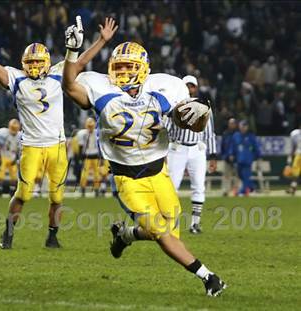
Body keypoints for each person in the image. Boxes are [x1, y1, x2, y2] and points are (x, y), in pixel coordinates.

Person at [62, 16, 226, 296]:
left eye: (129, 66)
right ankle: (209, 277)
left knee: (168, 230)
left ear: (143, 68)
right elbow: (69, 85)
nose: (122, 71)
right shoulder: (100, 87)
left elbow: (188, 123)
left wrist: (200, 117)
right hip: (127, 178)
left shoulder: (165, 87)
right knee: (161, 233)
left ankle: (124, 235)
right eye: (119, 66)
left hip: (158, 171)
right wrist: (72, 52)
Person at [0, 25, 68, 249]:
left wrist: (101, 41)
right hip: (32, 146)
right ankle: (7, 233)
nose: (35, 66)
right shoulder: (17, 79)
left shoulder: (58, 74)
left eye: (38, 62)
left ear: (46, 62)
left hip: (57, 145)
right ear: (23, 64)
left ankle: (52, 235)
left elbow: (79, 60)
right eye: (31, 62)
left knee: (57, 198)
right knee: (23, 194)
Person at [165, 75, 217, 234]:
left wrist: (213, 155)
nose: (190, 89)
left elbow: (209, 133)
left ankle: (195, 223)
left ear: (196, 88)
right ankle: (171, 221)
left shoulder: (204, 107)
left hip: (197, 149)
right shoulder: (175, 106)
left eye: (192, 86)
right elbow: (165, 129)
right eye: (187, 86)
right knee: (172, 187)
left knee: (199, 186)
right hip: (177, 148)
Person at [228, 120, 261, 196]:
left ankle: (242, 192)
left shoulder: (251, 136)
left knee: (246, 176)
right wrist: (231, 154)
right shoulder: (236, 136)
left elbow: (256, 148)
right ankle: (251, 187)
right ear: (239, 126)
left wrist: (258, 157)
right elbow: (232, 146)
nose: (243, 127)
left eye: (245, 126)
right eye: (242, 126)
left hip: (247, 160)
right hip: (239, 160)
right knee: (240, 175)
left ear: (247, 127)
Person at [0, 119, 21, 196]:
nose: (13, 131)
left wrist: (16, 158)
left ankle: (12, 190)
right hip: (3, 155)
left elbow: (19, 149)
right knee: (1, 174)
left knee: (14, 175)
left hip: (12, 156)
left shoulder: (20, 135)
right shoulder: (4, 133)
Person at [76, 117, 101, 197]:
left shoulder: (97, 133)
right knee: (84, 175)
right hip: (87, 156)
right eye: (89, 125)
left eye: (91, 125)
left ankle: (97, 190)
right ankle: (83, 189)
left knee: (97, 175)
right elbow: (80, 146)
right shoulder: (82, 133)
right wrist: (80, 157)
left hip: (96, 156)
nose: (90, 127)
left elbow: (100, 145)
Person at [221, 118, 238, 196]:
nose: (231, 125)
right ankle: (226, 191)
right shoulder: (225, 134)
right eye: (230, 123)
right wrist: (224, 156)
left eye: (233, 123)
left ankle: (236, 191)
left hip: (236, 158)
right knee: (226, 175)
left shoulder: (238, 134)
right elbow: (222, 146)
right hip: (227, 158)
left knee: (236, 176)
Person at [286, 124, 301, 195]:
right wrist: (289, 159)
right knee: (295, 173)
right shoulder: (295, 134)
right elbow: (292, 147)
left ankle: (292, 188)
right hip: (299, 154)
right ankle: (293, 188)